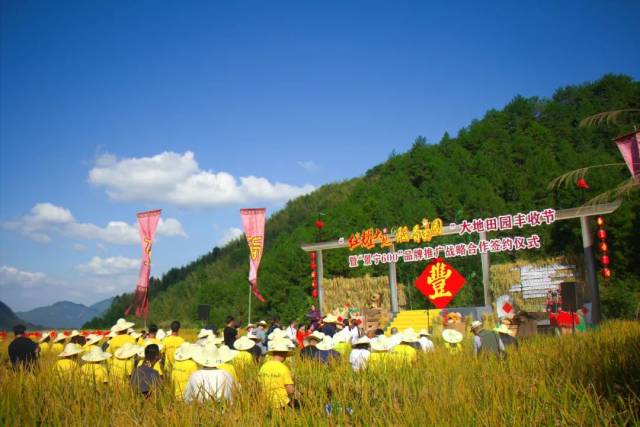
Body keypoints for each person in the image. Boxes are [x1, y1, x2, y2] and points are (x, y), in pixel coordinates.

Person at [258, 338, 299, 409]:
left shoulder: (263, 366)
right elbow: (290, 390)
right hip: (282, 403)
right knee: (301, 405)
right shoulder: (284, 368)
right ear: (284, 354)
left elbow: (260, 384)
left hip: (266, 402)